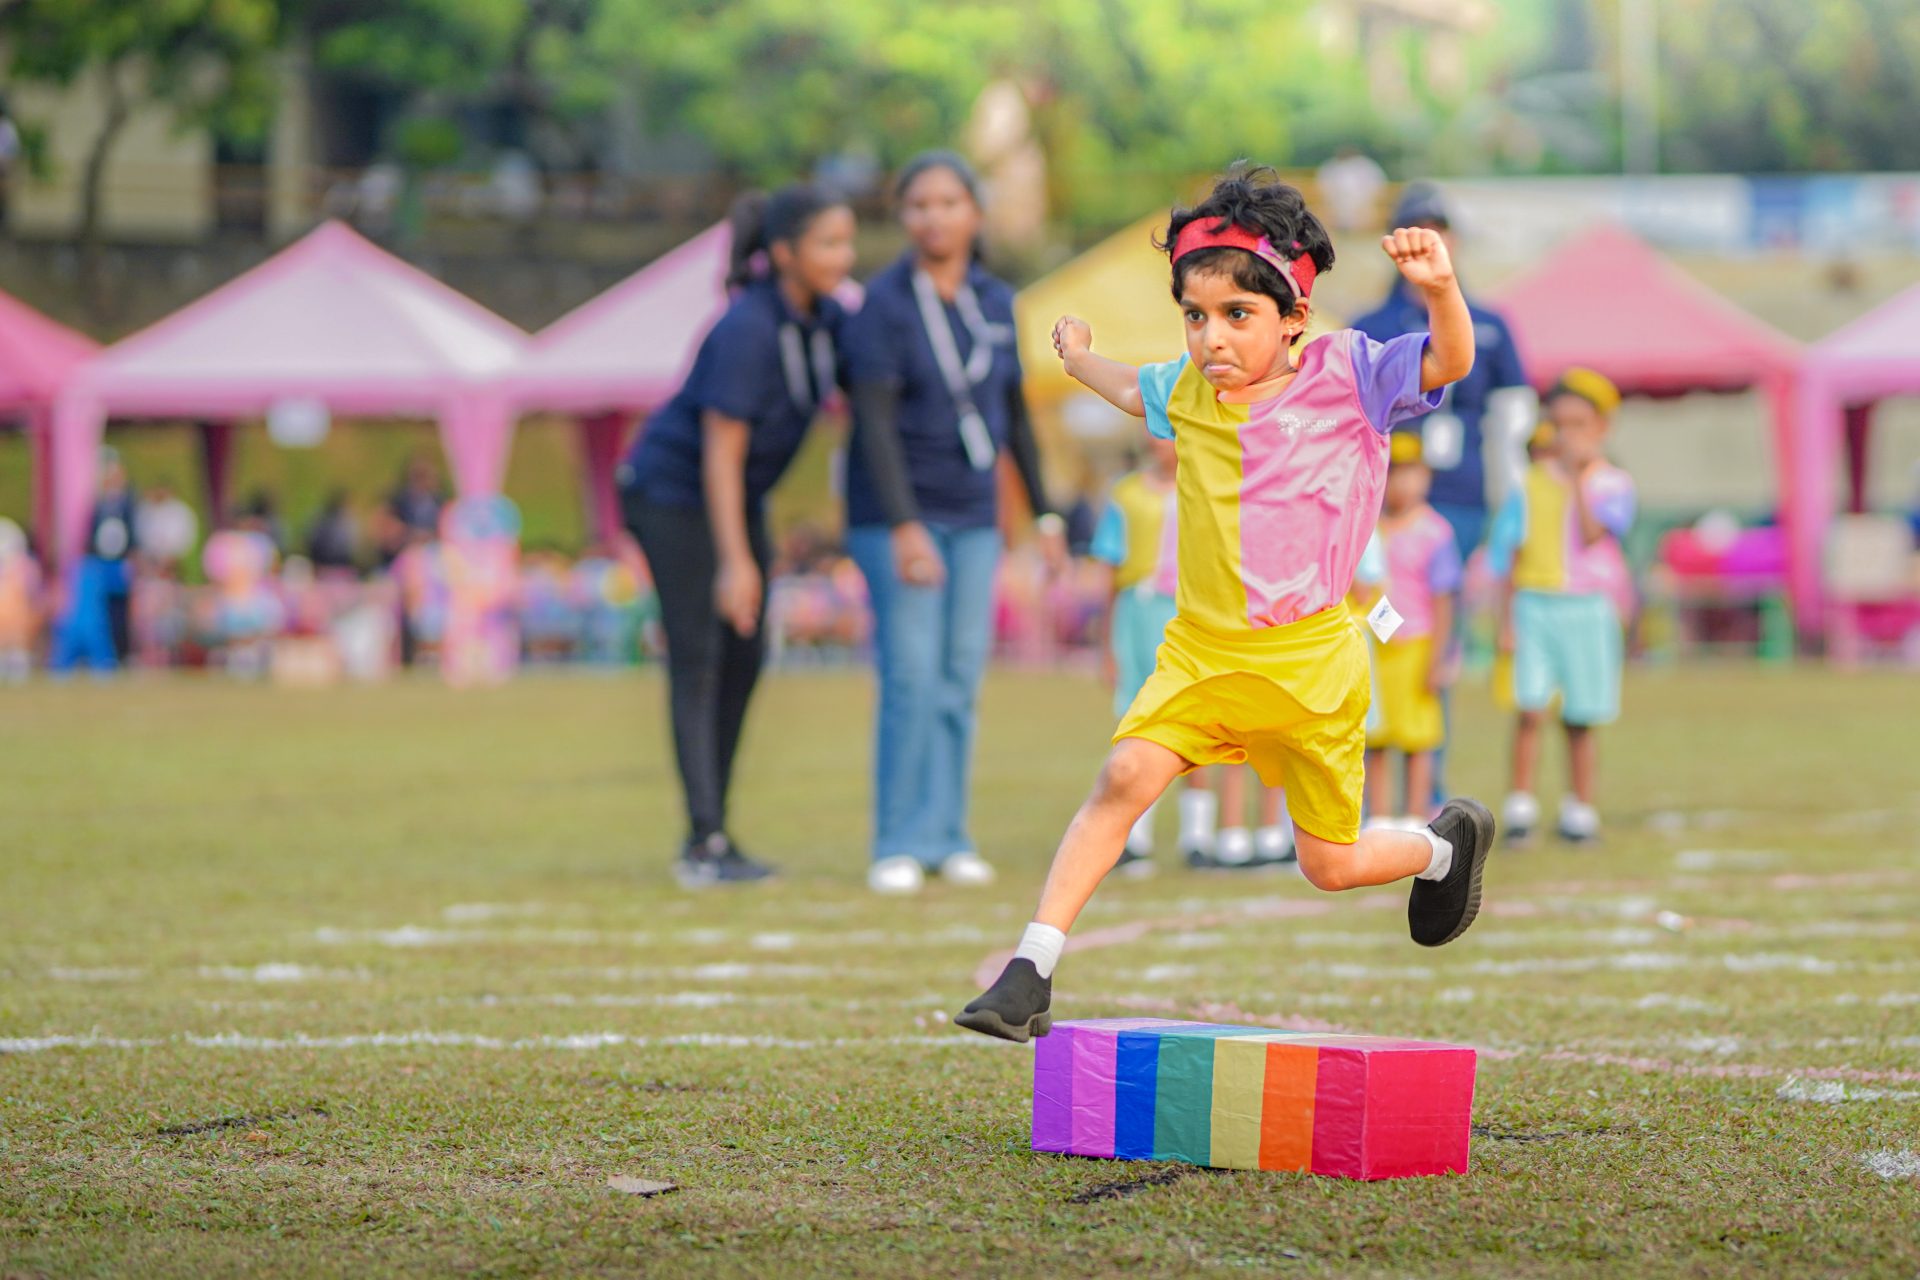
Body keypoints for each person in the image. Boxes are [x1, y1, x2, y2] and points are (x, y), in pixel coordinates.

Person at [956, 166, 1495, 1041]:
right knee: (1125, 775)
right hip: (1201, 656)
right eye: (1195, 317)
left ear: (1294, 318)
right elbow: (1132, 388)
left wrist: (1440, 289)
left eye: (1237, 316)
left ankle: (1441, 847)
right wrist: (1076, 352)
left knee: (1329, 864)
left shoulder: (1349, 375)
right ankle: (1031, 969)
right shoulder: (1187, 392)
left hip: (1310, 669)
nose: (1212, 338)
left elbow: (1451, 360)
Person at [619, 184, 856, 887]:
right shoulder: (745, 329)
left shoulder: (824, 321)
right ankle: (703, 843)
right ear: (783, 253)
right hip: (672, 494)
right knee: (700, 654)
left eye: (848, 242)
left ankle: (716, 828)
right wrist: (734, 563)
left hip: (733, 498)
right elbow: (719, 452)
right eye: (828, 244)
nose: (844, 257)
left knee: (747, 652)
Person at [842, 150, 1064, 896]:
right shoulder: (883, 305)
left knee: (958, 678)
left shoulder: (997, 302)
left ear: (974, 213)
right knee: (909, 676)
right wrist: (903, 527)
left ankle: (947, 835)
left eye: (947, 202)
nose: (933, 217)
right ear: (902, 217)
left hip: (975, 516)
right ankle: (896, 840)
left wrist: (1045, 511)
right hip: (896, 516)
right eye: (918, 204)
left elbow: (1014, 419)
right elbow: (870, 424)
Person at [1351, 182, 1530, 803]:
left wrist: (1512, 506)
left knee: (1433, 638)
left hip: (1459, 499)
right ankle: (1369, 791)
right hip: (1378, 506)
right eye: (1416, 226)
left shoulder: (1491, 325)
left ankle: (1428, 783)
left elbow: (1514, 424)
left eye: (1439, 226)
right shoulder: (1369, 328)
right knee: (1374, 637)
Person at [1488, 369, 1636, 847]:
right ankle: (1521, 803)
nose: (1568, 434)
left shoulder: (1611, 483)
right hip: (1536, 603)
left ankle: (1580, 807)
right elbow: (1511, 552)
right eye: (1561, 424)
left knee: (1581, 714)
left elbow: (1595, 535)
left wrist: (1576, 480)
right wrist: (1506, 619)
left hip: (1587, 607)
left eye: (1580, 424)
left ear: (1601, 428)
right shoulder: (1529, 483)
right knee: (1530, 707)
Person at [1087, 437, 1217, 873]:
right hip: (1137, 615)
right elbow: (1108, 568)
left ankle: (1197, 835)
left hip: (1188, 612)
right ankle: (1133, 838)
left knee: (1197, 724)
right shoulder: (1125, 495)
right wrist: (1106, 644)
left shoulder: (1207, 486)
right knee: (1137, 724)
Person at [1365, 430, 1463, 829]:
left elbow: (1444, 600)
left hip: (1417, 645)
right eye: (1393, 472)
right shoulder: (1367, 528)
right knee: (1378, 736)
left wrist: (1439, 658)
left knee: (1418, 737)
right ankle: (1381, 813)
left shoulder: (1435, 533)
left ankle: (1415, 811)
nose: (1401, 483)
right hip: (1375, 645)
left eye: (1410, 473)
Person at [50, 448, 138, 672]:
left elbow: (134, 534)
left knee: (120, 610)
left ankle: (122, 652)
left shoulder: (128, 503)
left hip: (119, 564)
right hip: (101, 564)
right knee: (99, 612)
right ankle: (99, 656)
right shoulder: (99, 505)